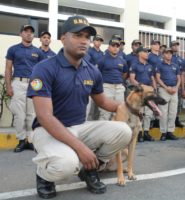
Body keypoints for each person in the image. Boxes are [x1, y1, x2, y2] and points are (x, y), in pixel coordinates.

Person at [27, 15, 132, 198]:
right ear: (63, 38)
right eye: (77, 35)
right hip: (47, 130)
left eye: (87, 37)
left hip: (78, 127)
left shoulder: (92, 70)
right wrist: (81, 148)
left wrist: (127, 106)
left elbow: (103, 102)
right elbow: (44, 116)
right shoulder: (44, 68)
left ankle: (89, 170)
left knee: (124, 131)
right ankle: (44, 175)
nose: (84, 41)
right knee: (68, 163)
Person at [5, 24, 45, 153]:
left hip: (34, 84)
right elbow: (8, 69)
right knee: (19, 114)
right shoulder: (13, 49)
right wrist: (8, 86)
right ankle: (21, 140)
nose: (28, 34)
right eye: (26, 31)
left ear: (34, 35)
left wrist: (41, 87)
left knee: (32, 114)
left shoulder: (38, 52)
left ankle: (30, 140)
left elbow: (42, 70)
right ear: (20, 34)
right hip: (18, 82)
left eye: (31, 32)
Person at [129, 46, 157, 142]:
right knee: (139, 113)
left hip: (149, 91)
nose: (147, 54)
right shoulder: (134, 64)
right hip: (139, 91)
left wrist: (154, 89)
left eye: (147, 52)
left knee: (148, 113)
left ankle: (146, 132)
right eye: (145, 52)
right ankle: (139, 133)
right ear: (140, 53)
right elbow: (132, 78)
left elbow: (152, 78)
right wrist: (141, 87)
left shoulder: (150, 65)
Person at [98, 38, 128, 120]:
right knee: (105, 113)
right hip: (107, 87)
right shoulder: (102, 59)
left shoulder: (122, 60)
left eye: (117, 46)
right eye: (113, 45)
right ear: (109, 47)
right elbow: (97, 73)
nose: (115, 48)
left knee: (119, 111)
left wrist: (119, 81)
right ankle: (103, 133)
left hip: (119, 88)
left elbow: (125, 73)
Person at [156, 48, 181, 141]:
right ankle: (163, 133)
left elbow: (179, 78)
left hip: (174, 90)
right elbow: (158, 78)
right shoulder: (159, 65)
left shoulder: (175, 65)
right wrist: (167, 88)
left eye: (170, 53)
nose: (169, 55)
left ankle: (170, 132)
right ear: (163, 55)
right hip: (164, 90)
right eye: (167, 53)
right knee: (163, 112)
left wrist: (176, 88)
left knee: (173, 112)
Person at [86, 34, 104, 120]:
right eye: (97, 40)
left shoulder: (102, 53)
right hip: (90, 79)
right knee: (89, 107)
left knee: (98, 107)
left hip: (99, 80)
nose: (98, 42)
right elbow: (87, 64)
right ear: (93, 41)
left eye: (100, 40)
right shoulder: (89, 51)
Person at [170, 40, 185, 128]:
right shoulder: (168, 57)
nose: (176, 47)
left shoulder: (180, 59)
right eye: (174, 46)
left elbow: (183, 73)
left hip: (178, 84)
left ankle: (176, 119)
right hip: (169, 83)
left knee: (178, 103)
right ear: (171, 47)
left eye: (177, 46)